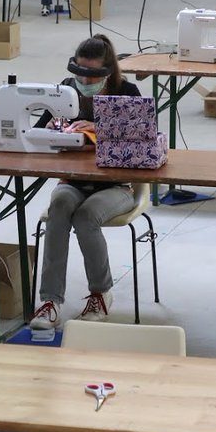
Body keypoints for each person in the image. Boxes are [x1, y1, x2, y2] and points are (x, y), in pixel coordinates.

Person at [28, 35, 140, 329]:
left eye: (90, 75)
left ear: (108, 71)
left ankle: (101, 294)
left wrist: (102, 127)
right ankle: (50, 301)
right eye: (79, 72)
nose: (83, 80)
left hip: (117, 185)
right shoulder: (66, 89)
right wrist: (52, 127)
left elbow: (142, 140)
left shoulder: (127, 92)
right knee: (60, 207)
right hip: (74, 181)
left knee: (87, 215)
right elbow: (37, 133)